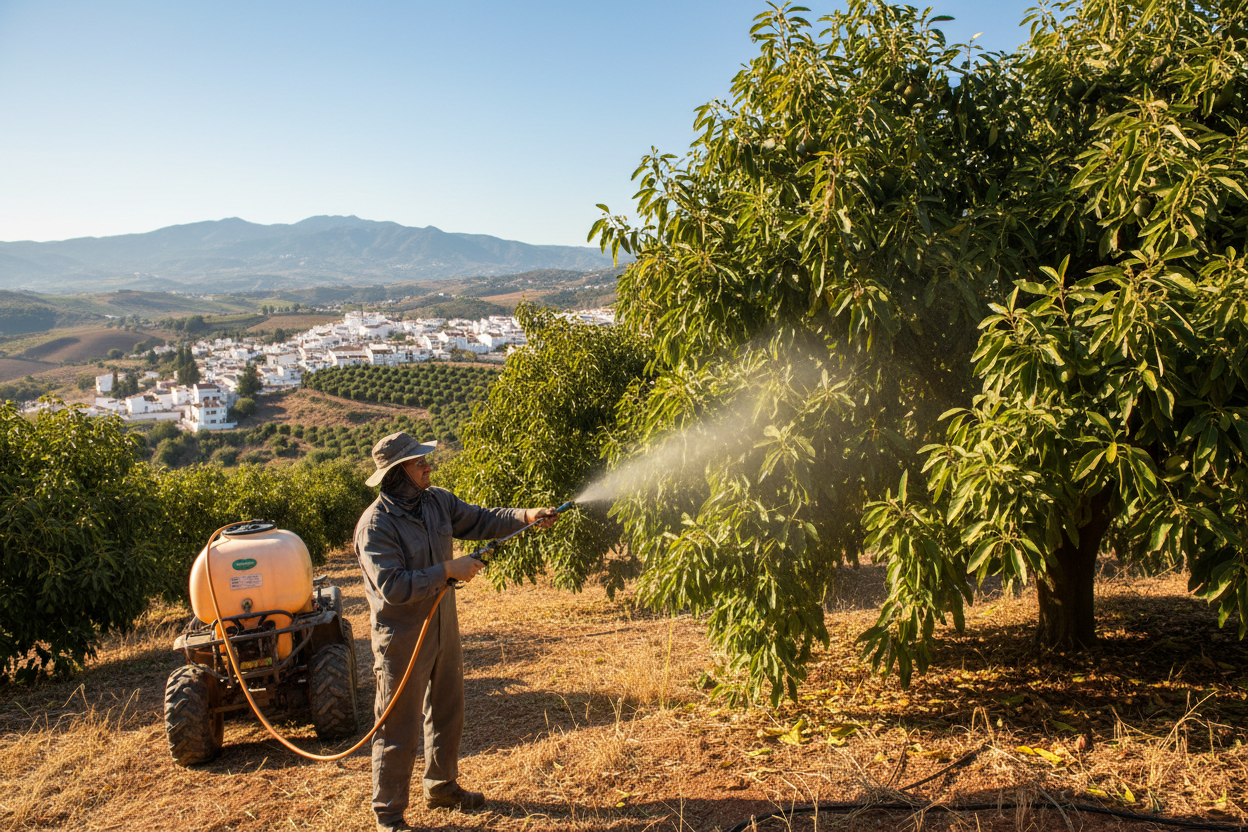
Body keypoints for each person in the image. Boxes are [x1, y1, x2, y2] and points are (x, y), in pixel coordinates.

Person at [354, 431, 559, 832]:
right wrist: (448, 570)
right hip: (403, 637)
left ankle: (442, 786)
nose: (428, 465)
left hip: (443, 623)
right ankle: (389, 815)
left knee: (448, 708)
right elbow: (393, 587)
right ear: (397, 473)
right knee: (398, 726)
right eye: (419, 463)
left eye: (425, 460)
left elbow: (482, 519)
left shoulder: (437, 501)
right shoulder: (375, 525)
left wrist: (527, 515)